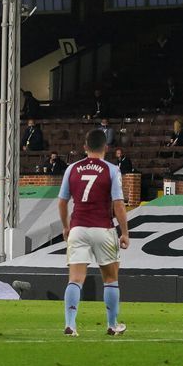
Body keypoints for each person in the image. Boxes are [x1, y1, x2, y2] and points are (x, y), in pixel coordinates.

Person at [57, 129, 129, 336]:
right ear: (106, 148)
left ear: (85, 147)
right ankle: (112, 325)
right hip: (103, 228)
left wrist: (66, 226)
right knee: (110, 279)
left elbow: (62, 202)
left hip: (78, 228)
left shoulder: (71, 169)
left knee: (75, 279)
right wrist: (124, 233)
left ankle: (70, 324)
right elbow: (119, 205)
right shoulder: (112, 170)